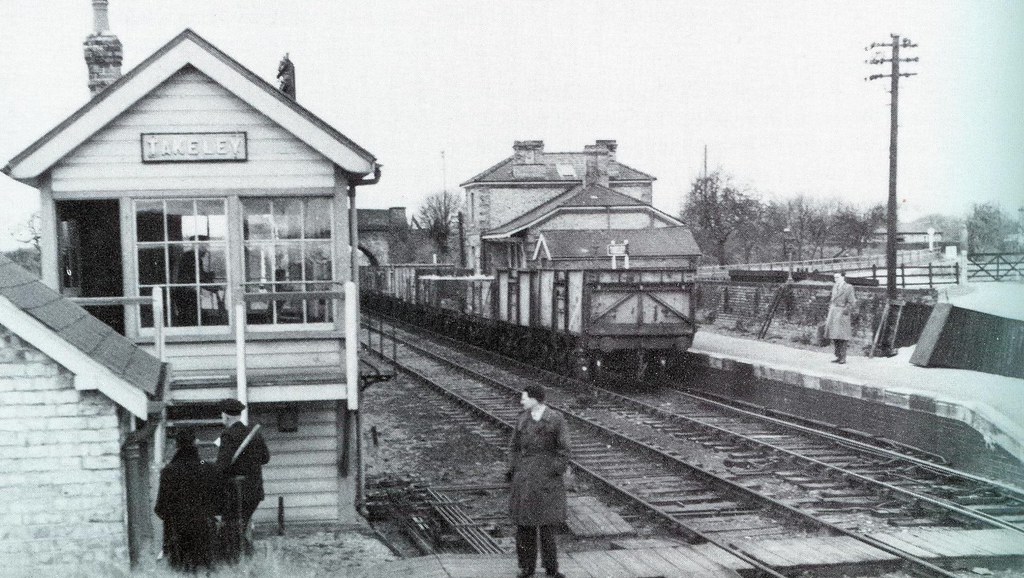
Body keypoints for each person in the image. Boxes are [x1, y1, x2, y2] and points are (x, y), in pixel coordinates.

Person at [507, 384, 570, 578]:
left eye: (524, 397)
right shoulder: (522, 420)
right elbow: (514, 448)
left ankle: (551, 567)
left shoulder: (556, 419)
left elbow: (564, 450)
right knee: (524, 525)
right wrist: (514, 470)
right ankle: (527, 567)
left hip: (548, 481)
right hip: (525, 479)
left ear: (535, 399)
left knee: (548, 525)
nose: (521, 401)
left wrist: (554, 470)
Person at [155, 427, 221, 572]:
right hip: (203, 533)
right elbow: (218, 502)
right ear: (195, 443)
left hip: (177, 535)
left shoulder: (168, 471)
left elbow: (160, 509)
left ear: (176, 446)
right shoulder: (207, 468)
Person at [215, 398, 270, 562]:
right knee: (236, 530)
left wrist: (203, 463)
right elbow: (265, 458)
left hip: (236, 494)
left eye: (221, 415)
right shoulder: (253, 434)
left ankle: (247, 560)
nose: (221, 418)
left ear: (226, 416)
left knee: (229, 532)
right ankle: (244, 562)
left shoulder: (228, 435)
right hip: (254, 493)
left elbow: (222, 466)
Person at [824, 272, 856, 364]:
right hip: (834, 312)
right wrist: (831, 308)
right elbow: (832, 299)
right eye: (834, 278)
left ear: (843, 277)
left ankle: (843, 357)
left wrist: (846, 310)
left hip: (842, 313)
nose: (836, 279)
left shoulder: (848, 287)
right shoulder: (835, 286)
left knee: (843, 336)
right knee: (834, 335)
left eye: (837, 277)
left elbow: (852, 302)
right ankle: (838, 356)